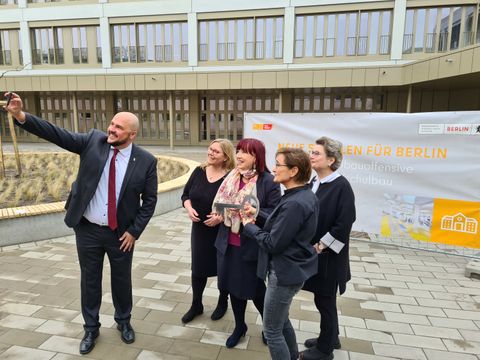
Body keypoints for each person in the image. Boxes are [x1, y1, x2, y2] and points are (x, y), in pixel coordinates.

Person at [4, 93, 158, 355]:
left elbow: (150, 201)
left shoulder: (145, 161)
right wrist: (21, 116)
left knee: (122, 280)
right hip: (87, 229)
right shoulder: (93, 141)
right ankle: (90, 328)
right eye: (112, 123)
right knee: (89, 280)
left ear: (131, 135)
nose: (111, 129)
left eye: (118, 127)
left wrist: (134, 232)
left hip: (121, 234)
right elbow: (56, 133)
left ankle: (124, 322)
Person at [242, 148, 319, 360]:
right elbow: (283, 228)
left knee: (272, 330)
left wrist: (248, 226)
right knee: (282, 321)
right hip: (290, 270)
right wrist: (256, 215)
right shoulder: (302, 195)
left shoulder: (295, 202)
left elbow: (273, 242)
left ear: (293, 170)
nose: (274, 168)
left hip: (284, 273)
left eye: (278, 164)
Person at [213, 138, 281, 348]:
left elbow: (276, 214)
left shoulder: (268, 181)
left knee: (256, 290)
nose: (239, 155)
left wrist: (255, 212)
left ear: (256, 157)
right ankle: (240, 326)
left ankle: (268, 326)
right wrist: (220, 212)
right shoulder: (232, 176)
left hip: (251, 245)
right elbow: (219, 203)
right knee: (233, 288)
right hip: (227, 243)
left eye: (246, 152)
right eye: (238, 150)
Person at [300, 137, 356, 360]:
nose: (311, 156)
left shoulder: (341, 185)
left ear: (331, 159)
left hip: (328, 256)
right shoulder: (315, 181)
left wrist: (321, 246)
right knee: (322, 299)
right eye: (311, 152)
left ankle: (325, 350)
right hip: (314, 254)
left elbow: (345, 223)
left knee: (325, 300)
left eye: (316, 153)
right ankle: (331, 337)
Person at [180, 139, 236, 323]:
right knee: (198, 268)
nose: (210, 153)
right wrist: (189, 208)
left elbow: (237, 204)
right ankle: (196, 304)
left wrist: (221, 215)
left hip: (221, 231)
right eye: (210, 149)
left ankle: (222, 302)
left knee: (222, 268)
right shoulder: (199, 171)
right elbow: (185, 195)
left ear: (226, 157)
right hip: (199, 230)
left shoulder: (231, 177)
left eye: (216, 152)